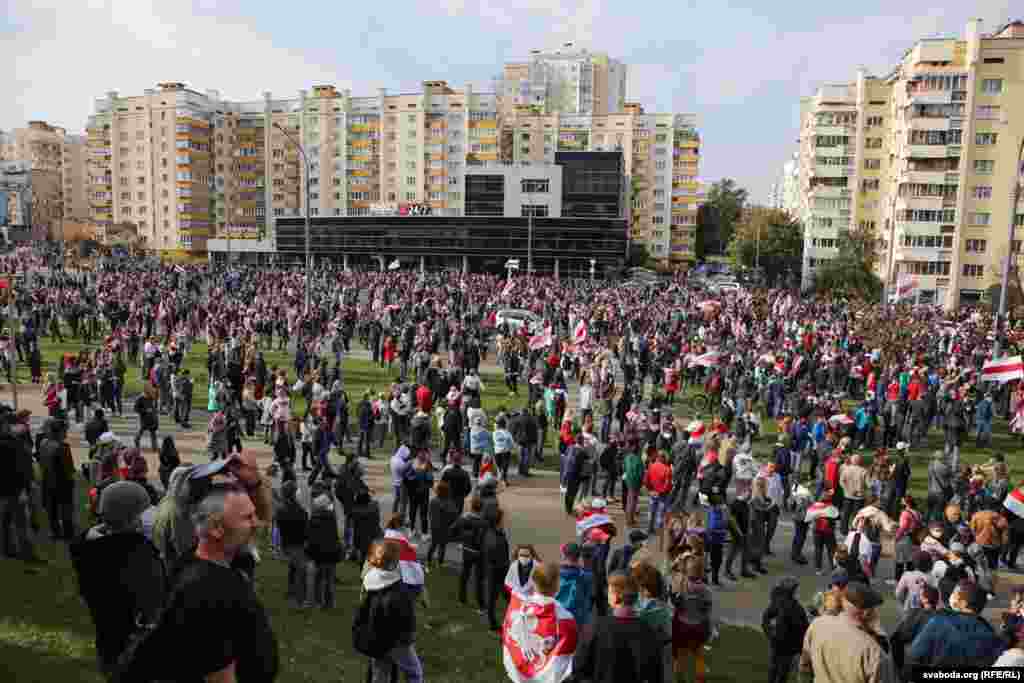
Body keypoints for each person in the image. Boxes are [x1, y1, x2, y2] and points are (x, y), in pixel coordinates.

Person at [127, 482, 279, 683]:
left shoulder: (203, 558)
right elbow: (219, 677)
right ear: (216, 528)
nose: (255, 523)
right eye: (247, 518)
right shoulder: (210, 591)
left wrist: (255, 483)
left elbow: (263, 521)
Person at [69, 481, 167, 680]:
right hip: (136, 648)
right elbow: (154, 607)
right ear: (134, 517)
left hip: (107, 642)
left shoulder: (89, 548)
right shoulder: (137, 556)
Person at [568, 570, 664, 683]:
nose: (606, 593)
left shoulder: (595, 628)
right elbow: (656, 674)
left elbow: (578, 669)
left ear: (616, 595)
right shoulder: (647, 631)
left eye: (608, 590)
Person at [355, 539, 422, 683]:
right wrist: (408, 639)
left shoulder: (370, 580)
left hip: (375, 636)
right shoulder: (399, 590)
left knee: (380, 673)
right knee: (414, 672)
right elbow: (406, 619)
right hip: (396, 641)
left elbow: (363, 609)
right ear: (393, 563)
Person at [799, 582, 893, 683]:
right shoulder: (873, 651)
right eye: (874, 609)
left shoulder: (817, 624)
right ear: (867, 612)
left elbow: (804, 668)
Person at [907, 580, 1005, 670]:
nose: (951, 596)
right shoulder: (990, 634)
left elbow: (915, 654)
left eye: (954, 593)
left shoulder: (939, 622)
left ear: (962, 603)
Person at [762, 576, 810, 683]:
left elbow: (766, 617)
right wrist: (799, 647)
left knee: (773, 668)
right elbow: (804, 629)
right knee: (782, 672)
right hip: (787, 647)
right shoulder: (796, 608)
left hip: (777, 643)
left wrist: (769, 633)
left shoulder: (778, 602)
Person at [890, 584, 940, 679]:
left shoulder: (916, 614)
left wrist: (900, 667)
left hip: (917, 661)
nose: (917, 597)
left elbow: (899, 636)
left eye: (920, 595)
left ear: (925, 599)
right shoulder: (942, 616)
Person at [306, 485, 344, 609]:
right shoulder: (331, 519)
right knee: (329, 579)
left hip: (319, 553)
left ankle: (318, 601)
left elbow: (311, 537)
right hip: (331, 552)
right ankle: (330, 602)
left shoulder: (313, 520)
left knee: (318, 578)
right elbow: (335, 537)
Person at [274, 479, 311, 607]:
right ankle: (299, 601)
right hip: (298, 544)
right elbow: (306, 529)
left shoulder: (281, 510)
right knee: (301, 571)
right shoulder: (299, 511)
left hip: (287, 544)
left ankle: (291, 592)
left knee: (293, 568)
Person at [38, 418, 75, 541]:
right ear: (60, 432)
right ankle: (68, 532)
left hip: (47, 480)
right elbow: (68, 468)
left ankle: (55, 532)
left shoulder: (43, 443)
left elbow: (41, 461)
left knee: (52, 509)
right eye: (64, 431)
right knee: (66, 509)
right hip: (62, 482)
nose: (66, 434)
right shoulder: (63, 447)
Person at [449, 495, 488, 612]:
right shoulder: (484, 521)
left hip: (467, 550)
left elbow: (452, 530)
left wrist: (462, 540)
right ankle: (481, 605)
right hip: (480, 553)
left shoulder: (464, 518)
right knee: (478, 579)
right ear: (482, 508)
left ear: (471, 506)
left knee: (464, 574)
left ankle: (462, 598)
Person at [481, 507, 511, 631]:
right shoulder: (496, 540)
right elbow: (501, 560)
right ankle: (492, 623)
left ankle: (492, 621)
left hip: (494, 570)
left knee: (496, 596)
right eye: (503, 518)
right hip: (498, 572)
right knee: (497, 597)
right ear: (497, 521)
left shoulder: (492, 532)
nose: (505, 520)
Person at [556, 542, 594, 630]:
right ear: (579, 556)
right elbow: (589, 598)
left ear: (563, 555)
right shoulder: (587, 576)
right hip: (577, 618)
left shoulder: (554, 574)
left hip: (558, 615)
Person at [426, 480, 458, 567]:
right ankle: (440, 562)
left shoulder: (433, 501)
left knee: (433, 544)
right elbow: (454, 515)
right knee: (442, 546)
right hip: (445, 527)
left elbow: (430, 513)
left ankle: (428, 560)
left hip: (434, 526)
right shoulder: (449, 502)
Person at [133, 383, 160, 452]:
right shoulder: (140, 398)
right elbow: (135, 409)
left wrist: (154, 413)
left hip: (152, 419)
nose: (151, 390)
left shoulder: (151, 397)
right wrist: (145, 410)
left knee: (153, 434)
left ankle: (154, 447)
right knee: (139, 433)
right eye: (149, 389)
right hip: (144, 419)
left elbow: (155, 400)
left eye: (150, 389)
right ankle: (136, 445)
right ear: (145, 390)